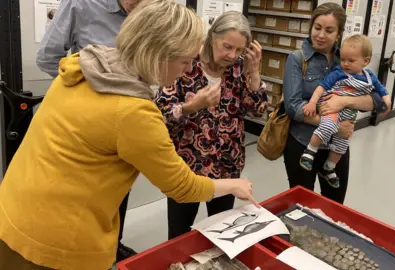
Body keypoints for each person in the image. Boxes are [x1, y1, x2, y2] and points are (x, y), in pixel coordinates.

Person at [0, 1, 258, 269]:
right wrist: (233, 185)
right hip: (56, 244)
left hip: (13, 213)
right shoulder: (133, 112)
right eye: (184, 61)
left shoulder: (83, 65)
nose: (187, 68)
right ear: (157, 55)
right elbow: (182, 187)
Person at [36, 0, 144, 261]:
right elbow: (48, 58)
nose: (140, 6)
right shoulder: (81, 4)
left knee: (120, 185)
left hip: (127, 122)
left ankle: (113, 245)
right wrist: (85, 94)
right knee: (82, 195)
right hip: (87, 127)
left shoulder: (152, 8)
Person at [155, 11, 267, 240]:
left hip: (227, 165)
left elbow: (257, 109)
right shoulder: (186, 64)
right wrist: (190, 107)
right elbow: (160, 113)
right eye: (227, 46)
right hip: (187, 167)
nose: (231, 55)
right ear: (211, 37)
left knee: (221, 232)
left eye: (238, 50)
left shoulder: (238, 68)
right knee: (178, 235)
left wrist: (254, 73)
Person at [282, 3, 391, 204]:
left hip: (336, 148)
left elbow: (378, 102)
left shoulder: (349, 58)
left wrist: (344, 101)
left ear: (339, 34)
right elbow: (293, 106)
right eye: (317, 28)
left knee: (335, 205)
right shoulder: (297, 59)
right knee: (302, 207)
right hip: (302, 143)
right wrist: (332, 125)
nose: (321, 35)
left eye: (329, 30)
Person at [300, 34, 391, 188]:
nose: (345, 64)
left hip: (349, 115)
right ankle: (309, 152)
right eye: (343, 60)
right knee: (327, 127)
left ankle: (328, 168)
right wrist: (312, 102)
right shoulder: (339, 73)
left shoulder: (370, 77)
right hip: (331, 110)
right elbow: (321, 87)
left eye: (351, 60)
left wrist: (387, 101)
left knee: (342, 143)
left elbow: (381, 91)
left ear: (366, 61)